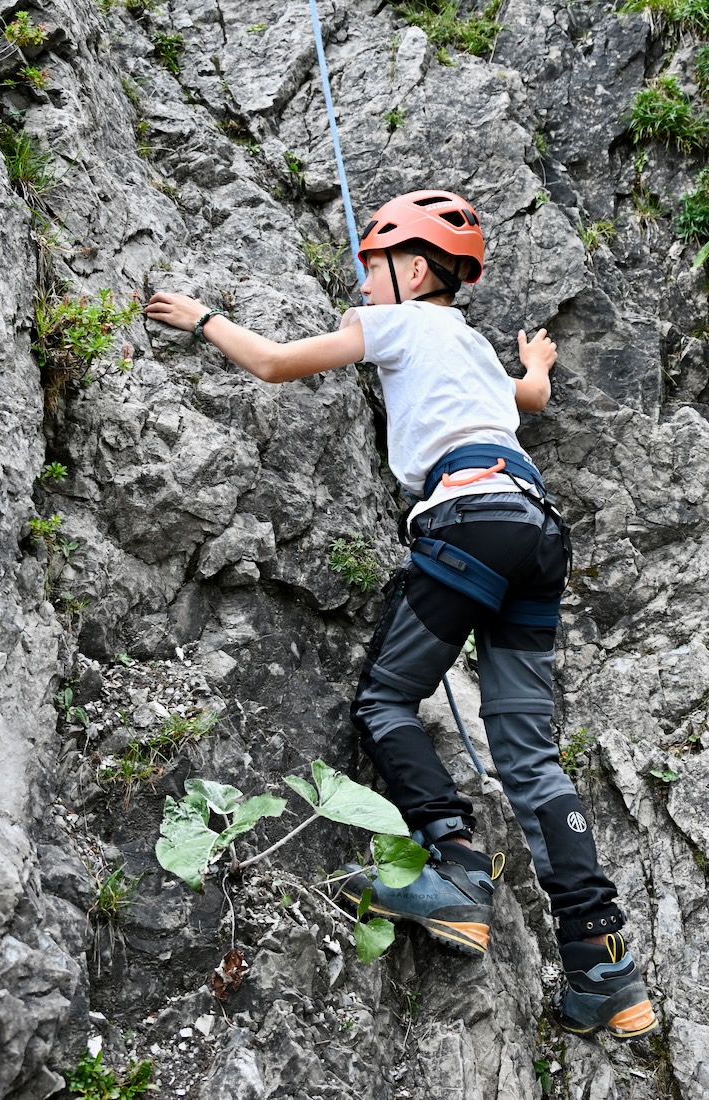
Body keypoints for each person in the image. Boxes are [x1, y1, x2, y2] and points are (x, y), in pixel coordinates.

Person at [145, 190, 658, 1041]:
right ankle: (603, 969)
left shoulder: (395, 324)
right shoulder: (472, 352)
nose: (363, 282)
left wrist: (203, 319)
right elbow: (528, 400)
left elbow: (273, 363)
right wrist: (537, 363)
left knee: (387, 700)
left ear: (414, 271)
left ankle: (456, 869)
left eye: (373, 266)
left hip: (470, 520)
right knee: (530, 759)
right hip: (536, 530)